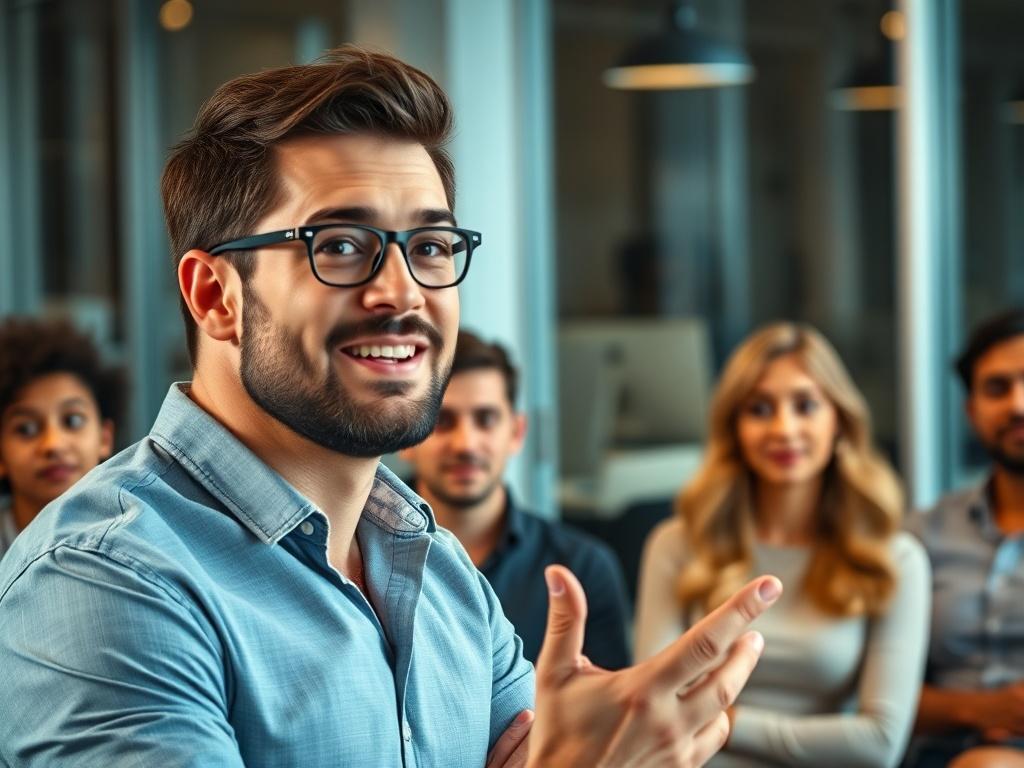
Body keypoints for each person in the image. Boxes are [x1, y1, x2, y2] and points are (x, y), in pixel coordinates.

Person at [0, 46, 781, 767]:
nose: (403, 293)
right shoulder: (106, 584)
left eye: (433, 247)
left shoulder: (430, 561)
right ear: (216, 296)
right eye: (340, 245)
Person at [635, 322, 930, 767]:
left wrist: (725, 718)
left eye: (806, 405)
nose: (783, 428)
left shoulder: (895, 560)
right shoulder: (676, 544)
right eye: (759, 408)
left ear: (840, 424)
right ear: (733, 428)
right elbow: (654, 707)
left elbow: (879, 743)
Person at [401, 329, 631, 669]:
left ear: (517, 433)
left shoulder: (583, 569)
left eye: (486, 419)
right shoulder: (357, 558)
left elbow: (609, 715)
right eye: (443, 421)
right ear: (406, 434)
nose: (466, 444)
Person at [905, 309, 1024, 768]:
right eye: (997, 388)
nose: (1018, 404)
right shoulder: (920, 535)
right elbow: (880, 694)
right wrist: (978, 709)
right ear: (971, 410)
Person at [0, 317, 123, 558]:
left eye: (73, 421)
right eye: (26, 429)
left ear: (104, 438)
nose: (53, 444)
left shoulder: (134, 542)